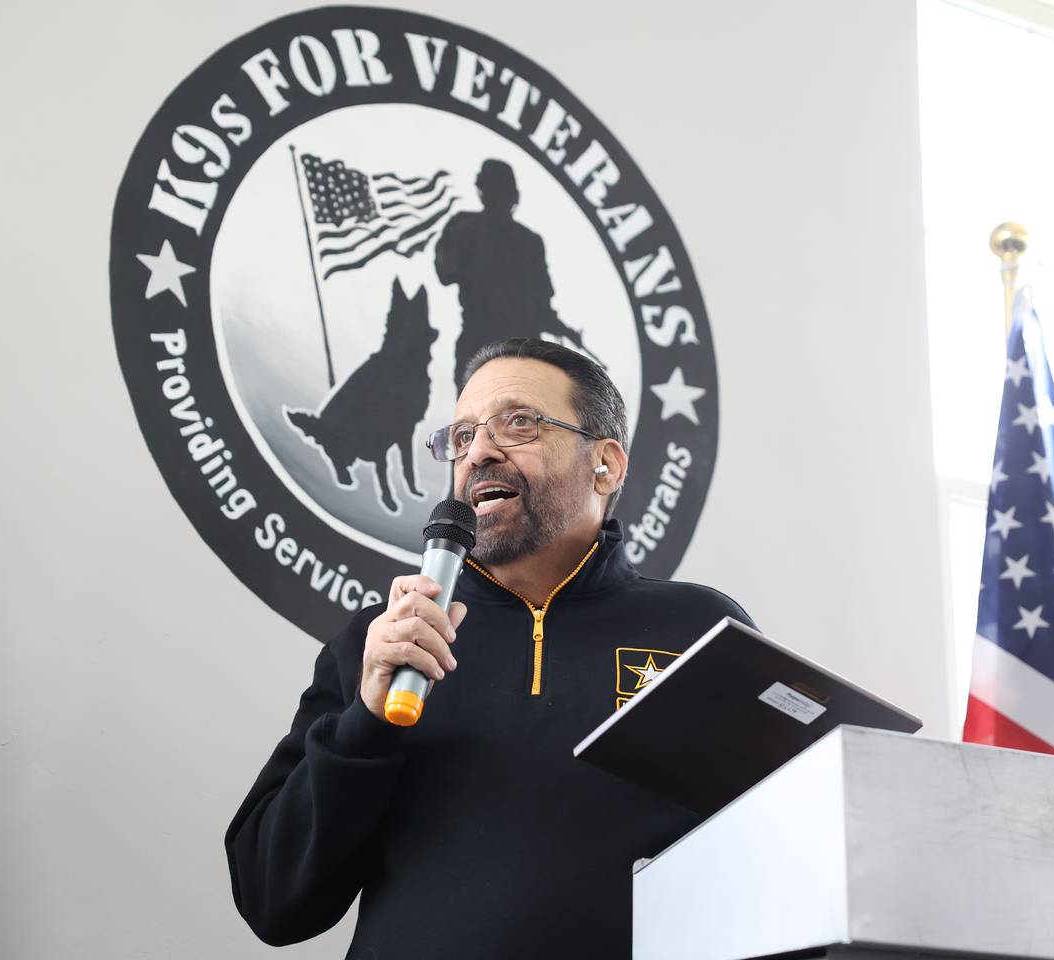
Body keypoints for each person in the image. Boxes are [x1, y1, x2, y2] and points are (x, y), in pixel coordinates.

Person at [225, 338, 752, 958]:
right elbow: (272, 900)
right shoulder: (382, 647)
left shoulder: (697, 630)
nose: (478, 452)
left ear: (605, 464)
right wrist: (364, 726)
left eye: (518, 423)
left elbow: (781, 857)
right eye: (462, 435)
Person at [435, 160, 597, 387]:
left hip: (520, 355)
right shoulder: (467, 229)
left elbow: (541, 306)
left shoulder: (528, 242)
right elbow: (445, 272)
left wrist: (563, 330)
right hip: (483, 349)